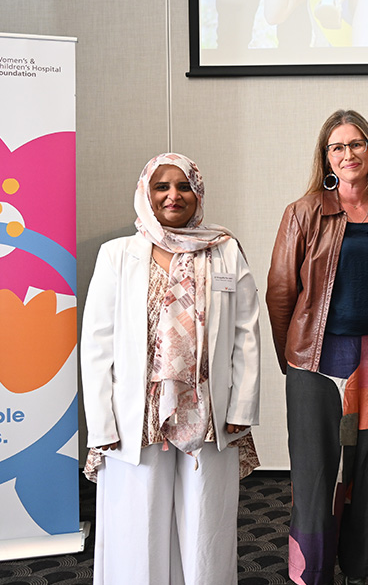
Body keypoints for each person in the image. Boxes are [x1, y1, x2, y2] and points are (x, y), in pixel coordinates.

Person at [81, 153, 261, 585]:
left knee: (205, 523)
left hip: (208, 413)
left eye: (183, 186)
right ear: (146, 192)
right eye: (162, 187)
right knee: (137, 524)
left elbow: (247, 333)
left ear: (197, 193)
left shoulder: (225, 250)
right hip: (135, 415)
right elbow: (96, 343)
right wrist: (102, 425)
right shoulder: (117, 255)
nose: (173, 196)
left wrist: (242, 407)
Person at [266, 110, 368, 585]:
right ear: (326, 156)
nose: (348, 154)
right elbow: (281, 292)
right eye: (337, 147)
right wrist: (294, 359)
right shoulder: (304, 212)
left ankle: (365, 567)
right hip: (316, 360)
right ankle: (313, 573)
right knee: (315, 473)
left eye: (357, 144)